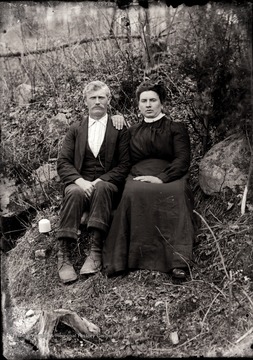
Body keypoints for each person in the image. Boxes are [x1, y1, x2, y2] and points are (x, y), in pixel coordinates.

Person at [102, 81, 195, 280]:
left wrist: (162, 179)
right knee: (133, 192)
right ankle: (126, 259)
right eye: (144, 101)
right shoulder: (132, 131)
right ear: (138, 105)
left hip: (170, 175)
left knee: (176, 193)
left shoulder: (176, 128)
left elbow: (182, 159)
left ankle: (177, 261)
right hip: (138, 174)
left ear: (162, 103)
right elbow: (124, 161)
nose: (149, 105)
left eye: (153, 100)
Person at [56, 80, 131, 284]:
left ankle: (95, 252)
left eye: (101, 97)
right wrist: (80, 181)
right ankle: (64, 256)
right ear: (85, 101)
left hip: (107, 186)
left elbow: (125, 165)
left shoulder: (119, 127)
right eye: (93, 98)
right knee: (73, 192)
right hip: (80, 183)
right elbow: (63, 163)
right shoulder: (75, 129)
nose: (97, 101)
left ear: (108, 100)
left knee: (103, 187)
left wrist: (99, 180)